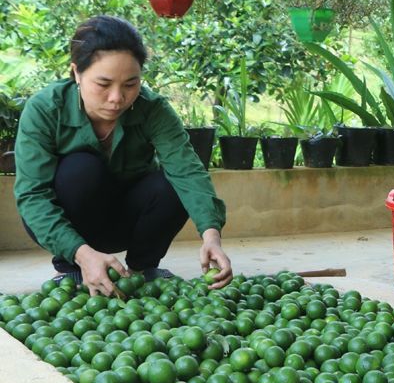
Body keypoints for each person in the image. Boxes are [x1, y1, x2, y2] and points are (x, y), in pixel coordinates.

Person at [14, 15, 232, 296]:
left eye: (131, 84)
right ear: (76, 73)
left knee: (170, 184)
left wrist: (211, 235)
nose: (117, 97)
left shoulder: (153, 110)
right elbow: (32, 196)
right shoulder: (45, 109)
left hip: (126, 219)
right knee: (80, 170)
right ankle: (72, 266)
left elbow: (187, 171)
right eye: (103, 84)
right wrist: (81, 253)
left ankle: (141, 270)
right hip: (72, 223)